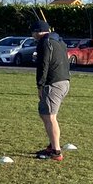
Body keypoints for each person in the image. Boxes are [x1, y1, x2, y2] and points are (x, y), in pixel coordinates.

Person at [32, 19, 70, 161]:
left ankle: (56, 151)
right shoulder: (58, 41)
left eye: (33, 32)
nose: (32, 35)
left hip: (53, 83)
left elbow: (43, 65)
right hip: (64, 81)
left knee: (49, 117)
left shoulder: (44, 43)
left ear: (38, 32)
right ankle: (52, 144)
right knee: (45, 115)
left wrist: (40, 85)